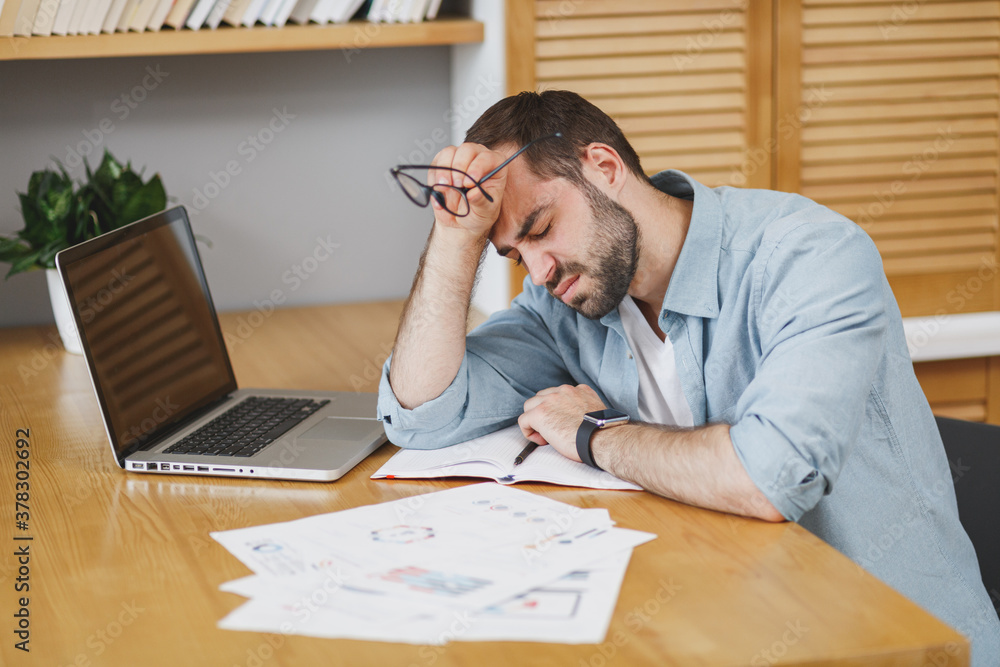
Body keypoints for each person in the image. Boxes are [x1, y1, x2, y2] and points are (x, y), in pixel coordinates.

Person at [377, 90, 1000, 663]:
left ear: (604, 167)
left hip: (894, 644)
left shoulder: (809, 255)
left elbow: (767, 478)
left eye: (539, 228)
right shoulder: (566, 301)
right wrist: (456, 238)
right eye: (513, 255)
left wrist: (596, 435)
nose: (536, 271)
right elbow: (423, 414)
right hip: (721, 628)